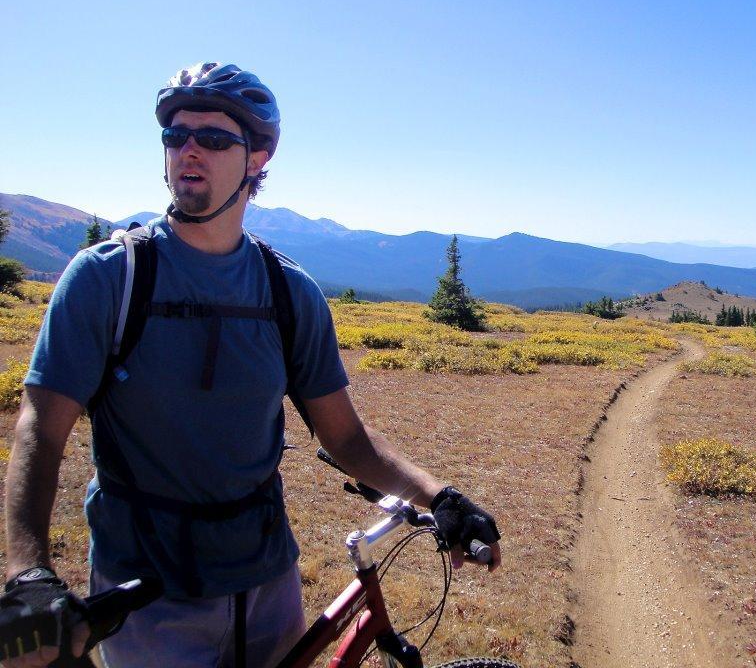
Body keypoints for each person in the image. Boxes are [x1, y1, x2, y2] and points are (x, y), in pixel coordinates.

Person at [1, 62, 501, 668]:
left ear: (258, 158)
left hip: (268, 585)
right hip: (149, 601)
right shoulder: (109, 279)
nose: (188, 149)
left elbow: (344, 436)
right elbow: (40, 429)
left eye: (212, 138)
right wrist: (28, 569)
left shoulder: (289, 293)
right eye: (175, 135)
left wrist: (439, 495)